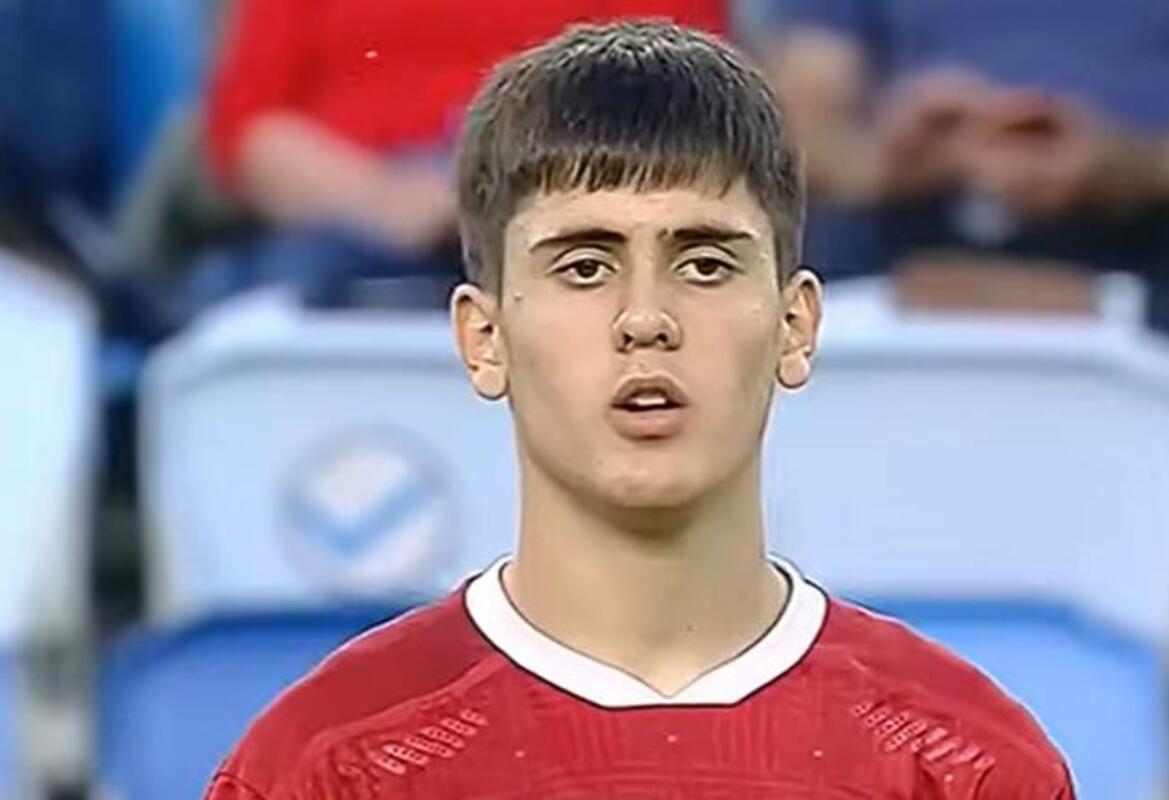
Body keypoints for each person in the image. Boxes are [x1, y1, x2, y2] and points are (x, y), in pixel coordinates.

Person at [205, 21, 1075, 799]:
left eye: (705, 264)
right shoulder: (328, 768)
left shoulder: (966, 766)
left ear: (795, 325)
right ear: (484, 337)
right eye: (585, 266)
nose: (646, 319)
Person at [188, 0, 724, 314]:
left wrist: (520, 189)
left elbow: (687, 107)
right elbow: (247, 131)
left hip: (565, 205)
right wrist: (386, 202)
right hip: (356, 216)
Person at [755, 0, 1169, 336]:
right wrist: (882, 162)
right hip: (898, 234)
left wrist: (1138, 166)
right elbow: (804, 120)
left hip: (1166, 241)